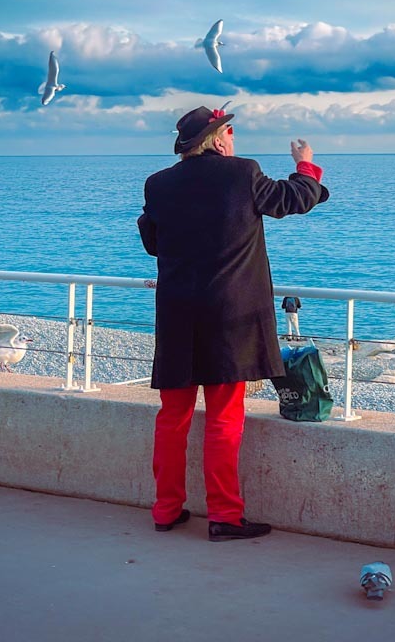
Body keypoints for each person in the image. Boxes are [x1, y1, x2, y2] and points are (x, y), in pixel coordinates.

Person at [137, 105, 329, 541]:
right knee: (224, 417)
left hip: (177, 315)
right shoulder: (242, 173)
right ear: (219, 139)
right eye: (231, 131)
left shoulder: (158, 184)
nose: (234, 139)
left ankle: (166, 510)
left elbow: (152, 241)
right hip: (230, 318)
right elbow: (293, 199)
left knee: (173, 417)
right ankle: (224, 516)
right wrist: (305, 162)